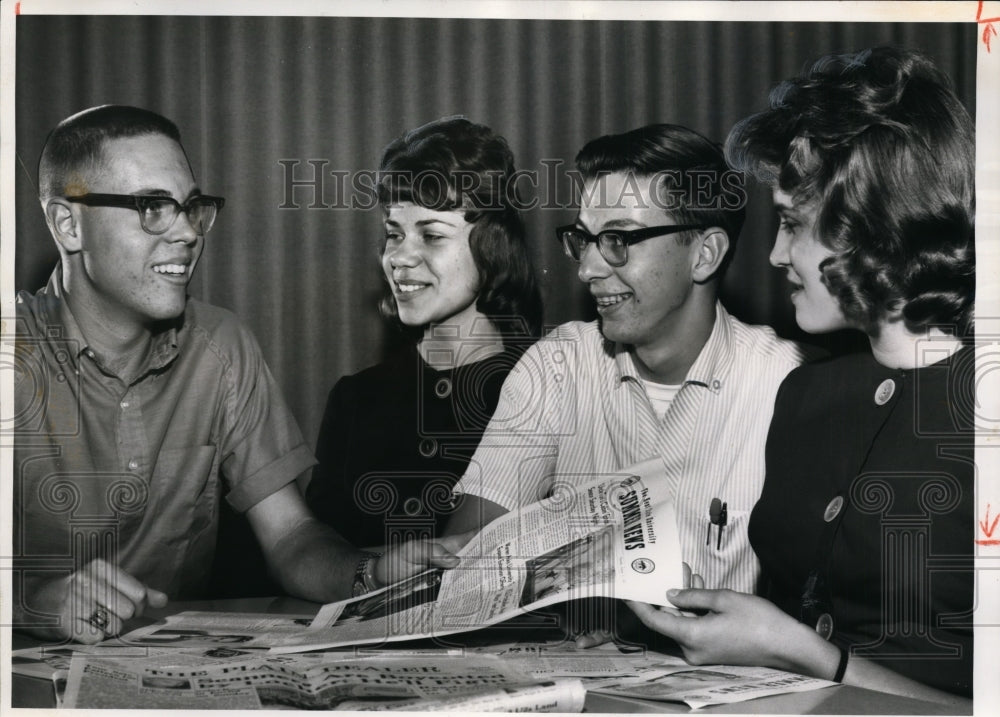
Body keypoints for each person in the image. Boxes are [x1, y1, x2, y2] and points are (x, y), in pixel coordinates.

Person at [13, 105, 459, 645]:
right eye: (153, 206)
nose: (187, 233)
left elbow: (292, 536)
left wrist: (371, 575)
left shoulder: (221, 346)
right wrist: (30, 601)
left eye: (191, 207)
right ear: (68, 225)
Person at [630, 47, 975, 706]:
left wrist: (803, 654)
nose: (774, 253)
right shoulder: (805, 393)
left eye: (792, 224)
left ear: (875, 225)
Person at [448, 124, 804, 599]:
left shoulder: (788, 385)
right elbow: (466, 562)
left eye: (618, 239)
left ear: (705, 255)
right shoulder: (557, 367)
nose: (588, 269)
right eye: (584, 239)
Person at [306, 116, 542, 547]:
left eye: (431, 235)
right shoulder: (354, 399)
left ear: (492, 244)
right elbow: (321, 558)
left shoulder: (547, 388)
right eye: (393, 235)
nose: (399, 257)